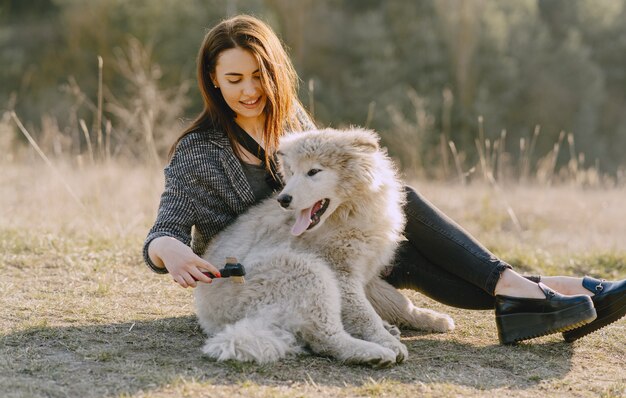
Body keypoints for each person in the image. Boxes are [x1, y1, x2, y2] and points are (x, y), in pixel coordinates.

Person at [144, 15, 625, 345]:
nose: (250, 90)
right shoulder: (199, 152)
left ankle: (557, 295)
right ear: (213, 79)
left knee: (403, 222)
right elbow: (163, 230)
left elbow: (342, 185)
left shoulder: (293, 124)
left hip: (342, 255)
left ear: (275, 72)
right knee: (410, 213)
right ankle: (561, 293)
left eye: (259, 75)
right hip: (280, 277)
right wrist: (173, 252)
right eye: (234, 80)